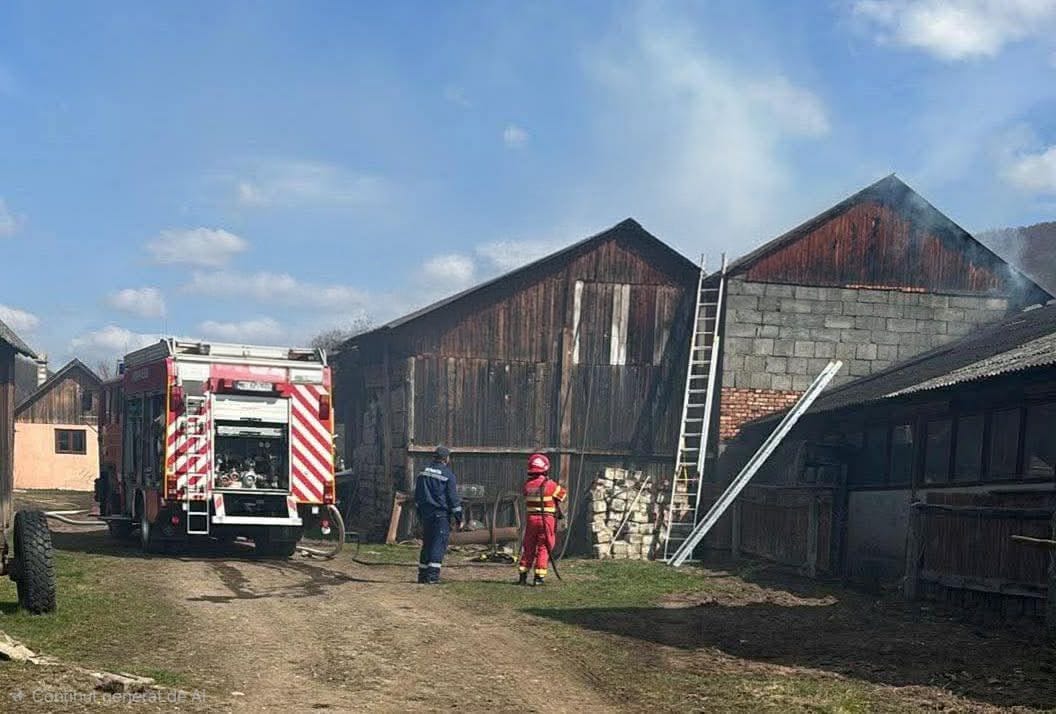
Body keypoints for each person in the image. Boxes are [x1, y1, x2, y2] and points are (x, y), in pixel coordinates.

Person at [414, 445, 463, 584]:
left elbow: (417, 495)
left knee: (427, 543)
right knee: (438, 544)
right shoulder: (448, 475)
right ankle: (432, 577)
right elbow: (453, 499)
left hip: (425, 513)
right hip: (440, 515)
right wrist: (459, 517)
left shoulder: (422, 472)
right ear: (446, 459)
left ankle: (422, 575)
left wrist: (419, 514)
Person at [517, 453, 566, 586]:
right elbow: (563, 495)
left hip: (531, 519)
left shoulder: (527, 485)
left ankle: (523, 574)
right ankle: (539, 577)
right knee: (544, 547)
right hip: (547, 520)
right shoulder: (550, 485)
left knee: (529, 546)